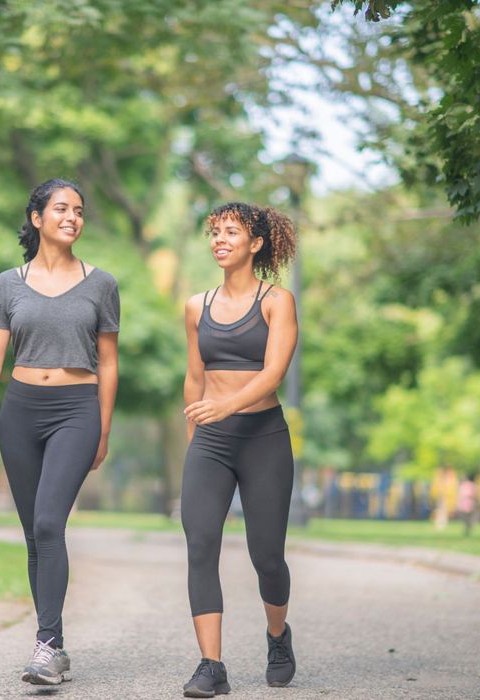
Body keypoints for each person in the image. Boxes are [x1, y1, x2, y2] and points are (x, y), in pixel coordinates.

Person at [0, 179, 119, 686]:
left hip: (76, 409)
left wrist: (103, 428)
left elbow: (108, 363)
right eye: (61, 208)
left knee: (49, 523)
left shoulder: (101, 283)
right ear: (37, 218)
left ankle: (44, 648)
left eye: (79, 211)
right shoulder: (7, 284)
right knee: (33, 536)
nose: (72, 217)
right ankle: (54, 647)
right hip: (20, 411)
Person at [181, 202, 298, 697]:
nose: (220, 240)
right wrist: (196, 438)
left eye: (232, 232)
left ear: (255, 244)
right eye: (215, 232)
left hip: (263, 439)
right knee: (201, 544)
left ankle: (278, 636)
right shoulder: (195, 306)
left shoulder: (278, 301)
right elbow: (194, 377)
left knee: (266, 556)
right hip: (211, 442)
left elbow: (274, 374)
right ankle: (212, 665)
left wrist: (224, 407)